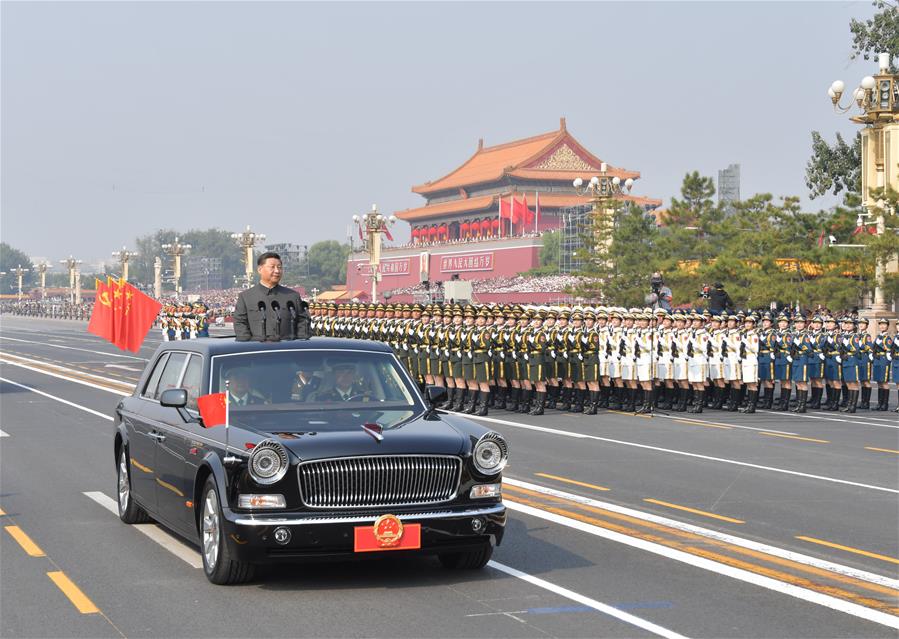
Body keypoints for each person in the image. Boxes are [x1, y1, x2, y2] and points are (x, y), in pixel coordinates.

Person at [233, 252, 305, 342]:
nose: (277, 271)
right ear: (260, 269)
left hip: (287, 350)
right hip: (258, 351)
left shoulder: (292, 296)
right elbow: (240, 324)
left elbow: (302, 323)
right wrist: (251, 346)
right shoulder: (246, 297)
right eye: (272, 267)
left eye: (279, 267)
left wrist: (297, 343)